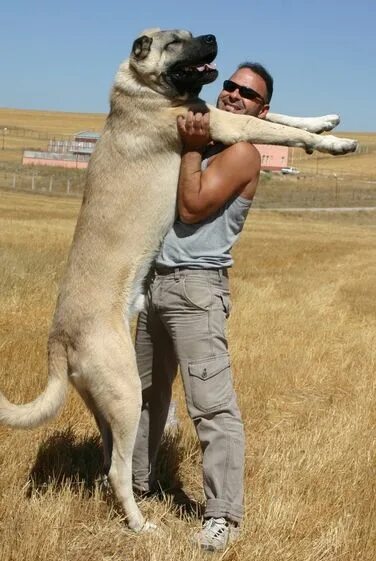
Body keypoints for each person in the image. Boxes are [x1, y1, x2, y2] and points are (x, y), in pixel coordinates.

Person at [132, 62, 273, 551]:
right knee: (145, 396)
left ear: (262, 110)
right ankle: (136, 484)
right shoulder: (204, 139)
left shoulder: (241, 154)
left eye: (247, 94)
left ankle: (223, 516)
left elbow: (191, 206)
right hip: (155, 282)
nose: (233, 96)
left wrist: (190, 150)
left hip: (196, 290)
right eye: (230, 86)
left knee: (210, 407)